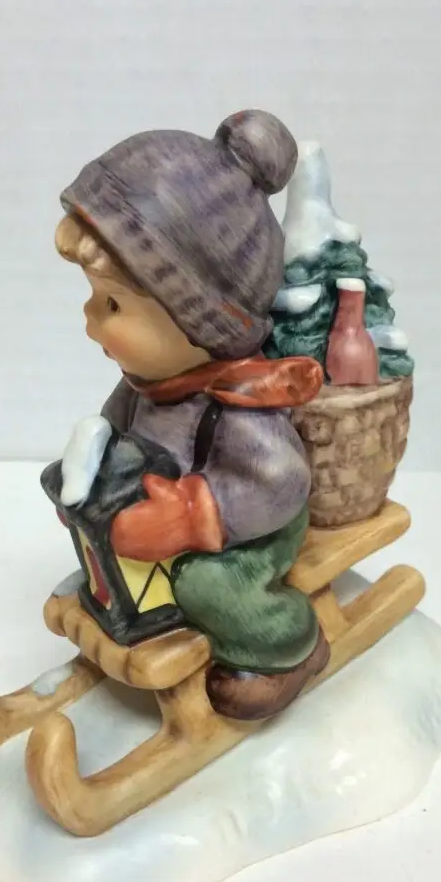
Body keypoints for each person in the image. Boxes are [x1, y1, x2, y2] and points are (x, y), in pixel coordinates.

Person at [53, 109, 330, 721]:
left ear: (197, 319)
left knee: (208, 583)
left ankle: (287, 644)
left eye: (113, 304)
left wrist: (191, 517)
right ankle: (129, 607)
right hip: (164, 508)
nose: (91, 320)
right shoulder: (148, 385)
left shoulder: (239, 402)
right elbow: (116, 436)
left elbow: (279, 483)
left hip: (249, 528)